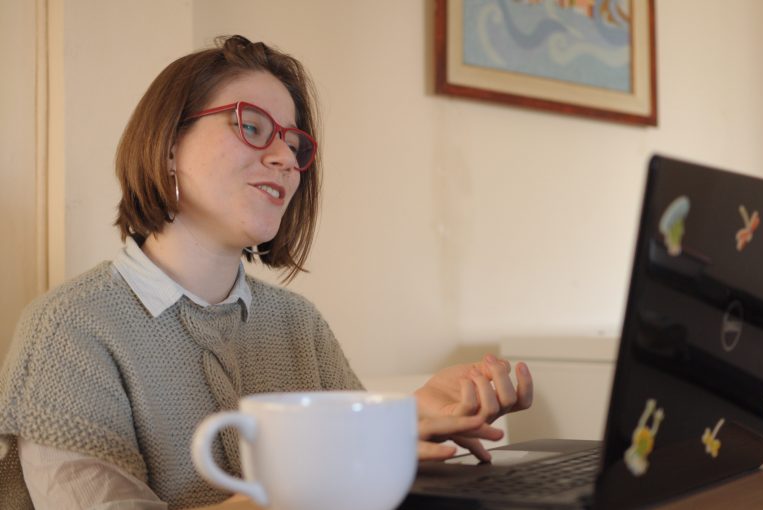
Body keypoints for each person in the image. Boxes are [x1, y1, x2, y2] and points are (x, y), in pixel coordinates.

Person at [0, 35, 532, 509]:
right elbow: (330, 472)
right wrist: (313, 478)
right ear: (166, 146)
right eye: (252, 127)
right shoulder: (68, 329)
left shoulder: (298, 324)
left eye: (294, 144)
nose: (284, 157)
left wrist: (412, 415)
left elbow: (355, 478)